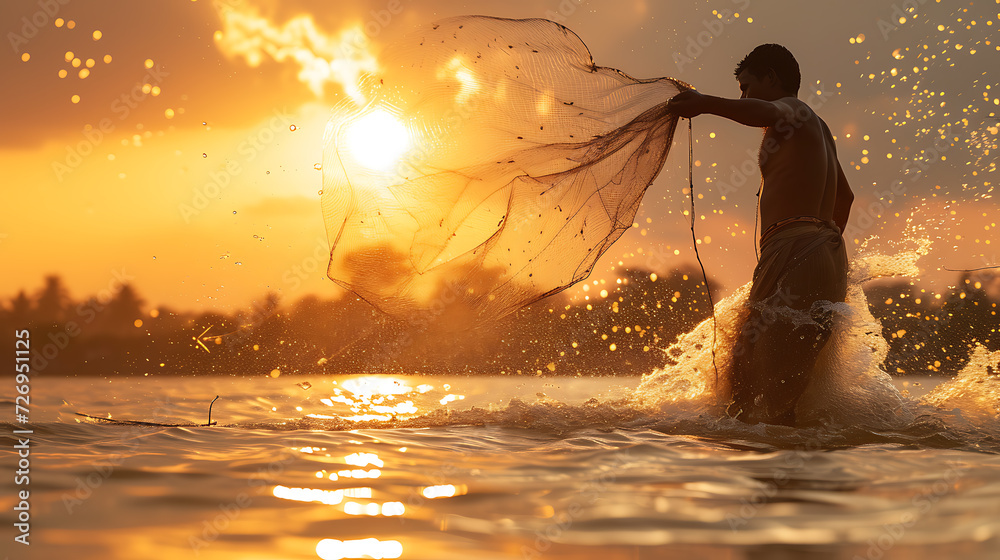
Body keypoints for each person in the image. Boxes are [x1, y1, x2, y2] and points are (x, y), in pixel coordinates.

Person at [666, 44, 854, 425]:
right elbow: (845, 197)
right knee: (786, 375)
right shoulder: (821, 128)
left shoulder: (792, 110)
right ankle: (789, 453)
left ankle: (750, 450)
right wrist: (821, 245)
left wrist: (704, 103)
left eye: (746, 86)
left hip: (796, 247)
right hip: (827, 252)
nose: (743, 96)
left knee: (745, 363)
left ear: (772, 77)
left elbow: (766, 111)